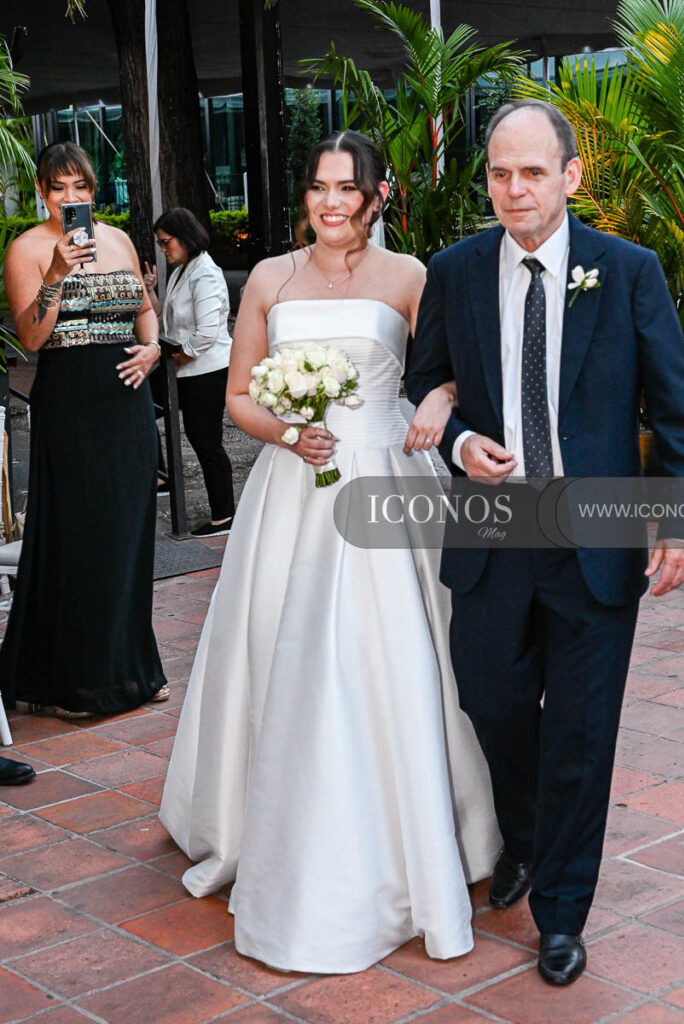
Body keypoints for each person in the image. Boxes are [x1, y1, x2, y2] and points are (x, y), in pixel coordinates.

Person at [160, 130, 500, 973]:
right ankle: (268, 824)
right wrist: (285, 431)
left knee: (393, 655)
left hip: (392, 482)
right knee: (284, 648)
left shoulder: (412, 276)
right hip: (294, 495)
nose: (331, 202)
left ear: (377, 196)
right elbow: (238, 395)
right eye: (317, 187)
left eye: (348, 188)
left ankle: (420, 828)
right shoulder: (269, 280)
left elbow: (452, 372)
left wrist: (441, 400)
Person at [406, 100, 684, 987]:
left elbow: (677, 408)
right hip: (493, 531)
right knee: (488, 700)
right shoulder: (455, 271)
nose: (513, 189)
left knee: (581, 731)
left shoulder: (627, 271)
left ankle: (560, 912)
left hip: (596, 539)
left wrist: (682, 520)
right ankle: (528, 838)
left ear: (570, 177)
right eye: (500, 173)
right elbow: (427, 383)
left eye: (532, 172)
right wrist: (461, 443)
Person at [0, 142, 168, 717]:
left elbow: (145, 310)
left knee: (128, 536)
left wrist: (151, 349)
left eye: (81, 188)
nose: (70, 199)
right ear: (43, 193)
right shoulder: (25, 249)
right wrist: (55, 273)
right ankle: (77, 681)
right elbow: (31, 338)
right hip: (70, 405)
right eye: (58, 188)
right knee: (80, 537)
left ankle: (133, 669)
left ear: (95, 192)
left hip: (128, 404)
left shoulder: (118, 240)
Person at [143, 208, 235, 537]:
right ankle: (158, 476)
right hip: (181, 369)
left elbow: (207, 333)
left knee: (205, 441)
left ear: (185, 238)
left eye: (166, 243)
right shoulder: (184, 269)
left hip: (206, 371)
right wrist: (152, 290)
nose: (163, 249)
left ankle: (224, 517)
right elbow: (168, 321)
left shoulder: (205, 272)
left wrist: (176, 359)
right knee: (139, 402)